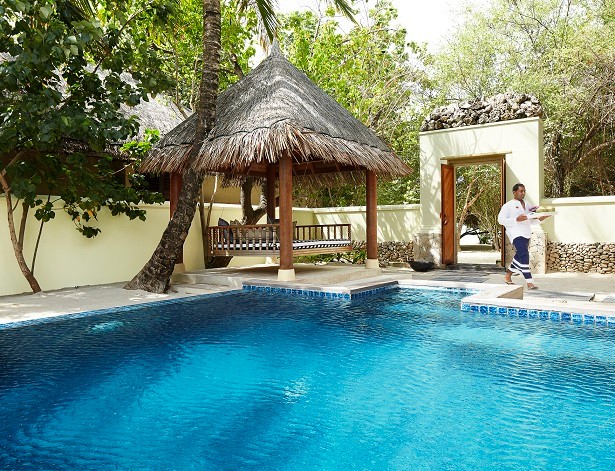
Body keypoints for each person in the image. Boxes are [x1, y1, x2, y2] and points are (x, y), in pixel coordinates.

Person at [497, 183, 549, 289]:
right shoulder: (508, 205)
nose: (523, 193)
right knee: (524, 256)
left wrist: (540, 219)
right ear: (514, 192)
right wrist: (516, 219)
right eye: (521, 191)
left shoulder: (527, 204)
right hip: (515, 233)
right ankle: (529, 282)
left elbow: (531, 220)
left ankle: (507, 276)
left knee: (519, 256)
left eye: (524, 191)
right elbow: (500, 220)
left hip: (526, 233)